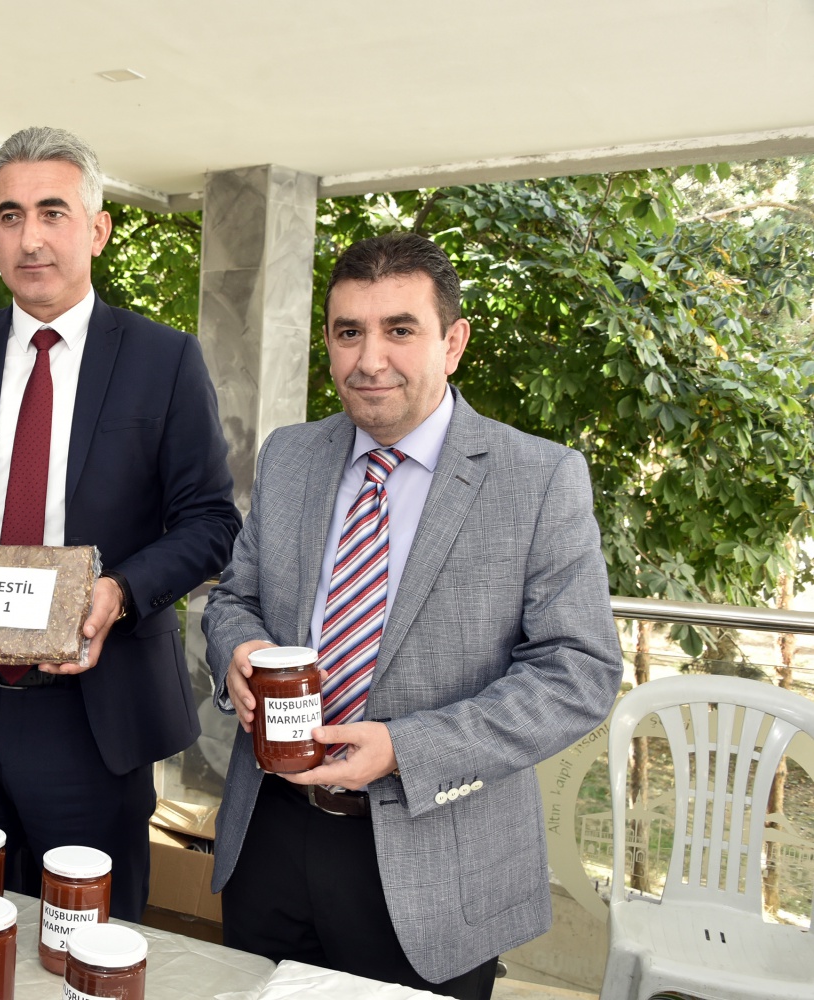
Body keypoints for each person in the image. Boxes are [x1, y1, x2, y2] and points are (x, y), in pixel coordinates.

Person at [203, 233, 620, 999]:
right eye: (348, 332)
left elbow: (578, 673)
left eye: (400, 329)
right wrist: (239, 648)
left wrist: (405, 749)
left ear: (453, 342)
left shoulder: (538, 479)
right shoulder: (290, 456)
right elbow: (235, 596)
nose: (370, 360)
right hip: (270, 835)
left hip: (434, 858)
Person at [0, 126, 240, 920]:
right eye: (10, 216)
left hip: (94, 714)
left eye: (52, 212)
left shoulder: (164, 361)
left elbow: (209, 521)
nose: (29, 237)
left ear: (97, 229)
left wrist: (120, 592)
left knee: (86, 943)